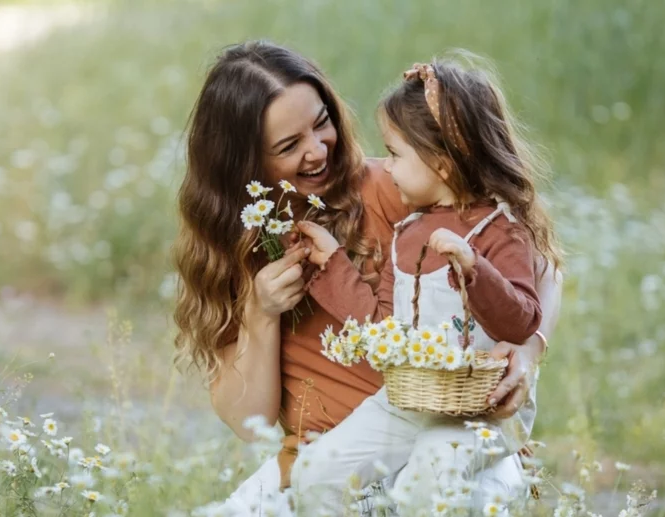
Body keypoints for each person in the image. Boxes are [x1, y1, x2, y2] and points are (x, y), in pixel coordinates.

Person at [172, 40, 562, 515]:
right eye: (289, 145)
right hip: (325, 466)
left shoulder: (395, 187)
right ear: (242, 164)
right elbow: (248, 419)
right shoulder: (235, 252)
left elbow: (542, 267)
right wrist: (261, 314)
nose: (318, 151)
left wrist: (525, 352)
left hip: (441, 443)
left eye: (322, 123)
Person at [290, 56, 563, 514]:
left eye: (396, 155)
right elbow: (383, 324)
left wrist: (475, 270)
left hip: (482, 411)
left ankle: (500, 480)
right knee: (316, 472)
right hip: (410, 399)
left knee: (426, 480)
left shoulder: (501, 231)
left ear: (440, 163)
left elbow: (521, 322)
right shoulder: (408, 232)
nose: (388, 168)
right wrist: (332, 263)